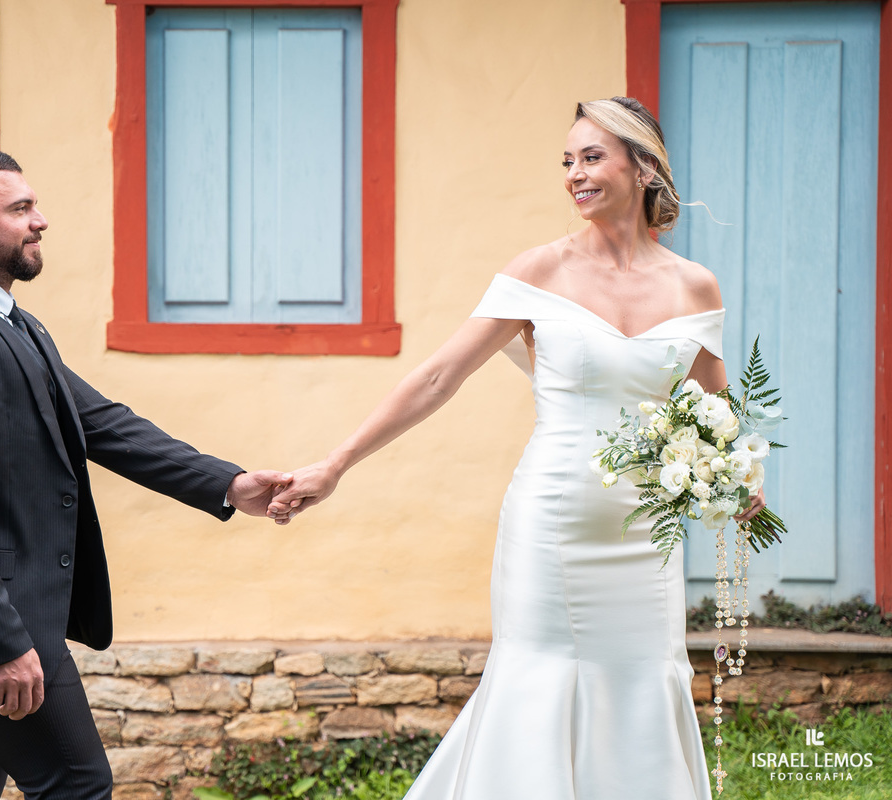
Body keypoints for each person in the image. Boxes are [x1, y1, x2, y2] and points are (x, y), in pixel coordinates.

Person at [268, 97, 764, 799]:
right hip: (551, 527)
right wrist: (335, 463)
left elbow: (714, 408)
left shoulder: (693, 285)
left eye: (592, 157)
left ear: (644, 168)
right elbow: (438, 377)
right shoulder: (539, 271)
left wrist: (736, 473)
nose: (574, 174)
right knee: (538, 681)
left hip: (645, 539)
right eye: (567, 161)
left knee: (642, 681)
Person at [0, 147, 294, 800]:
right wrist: (0, 642)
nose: (40, 221)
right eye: (20, 209)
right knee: (78, 786)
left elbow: (104, 425)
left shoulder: (13, 325)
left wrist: (229, 485)